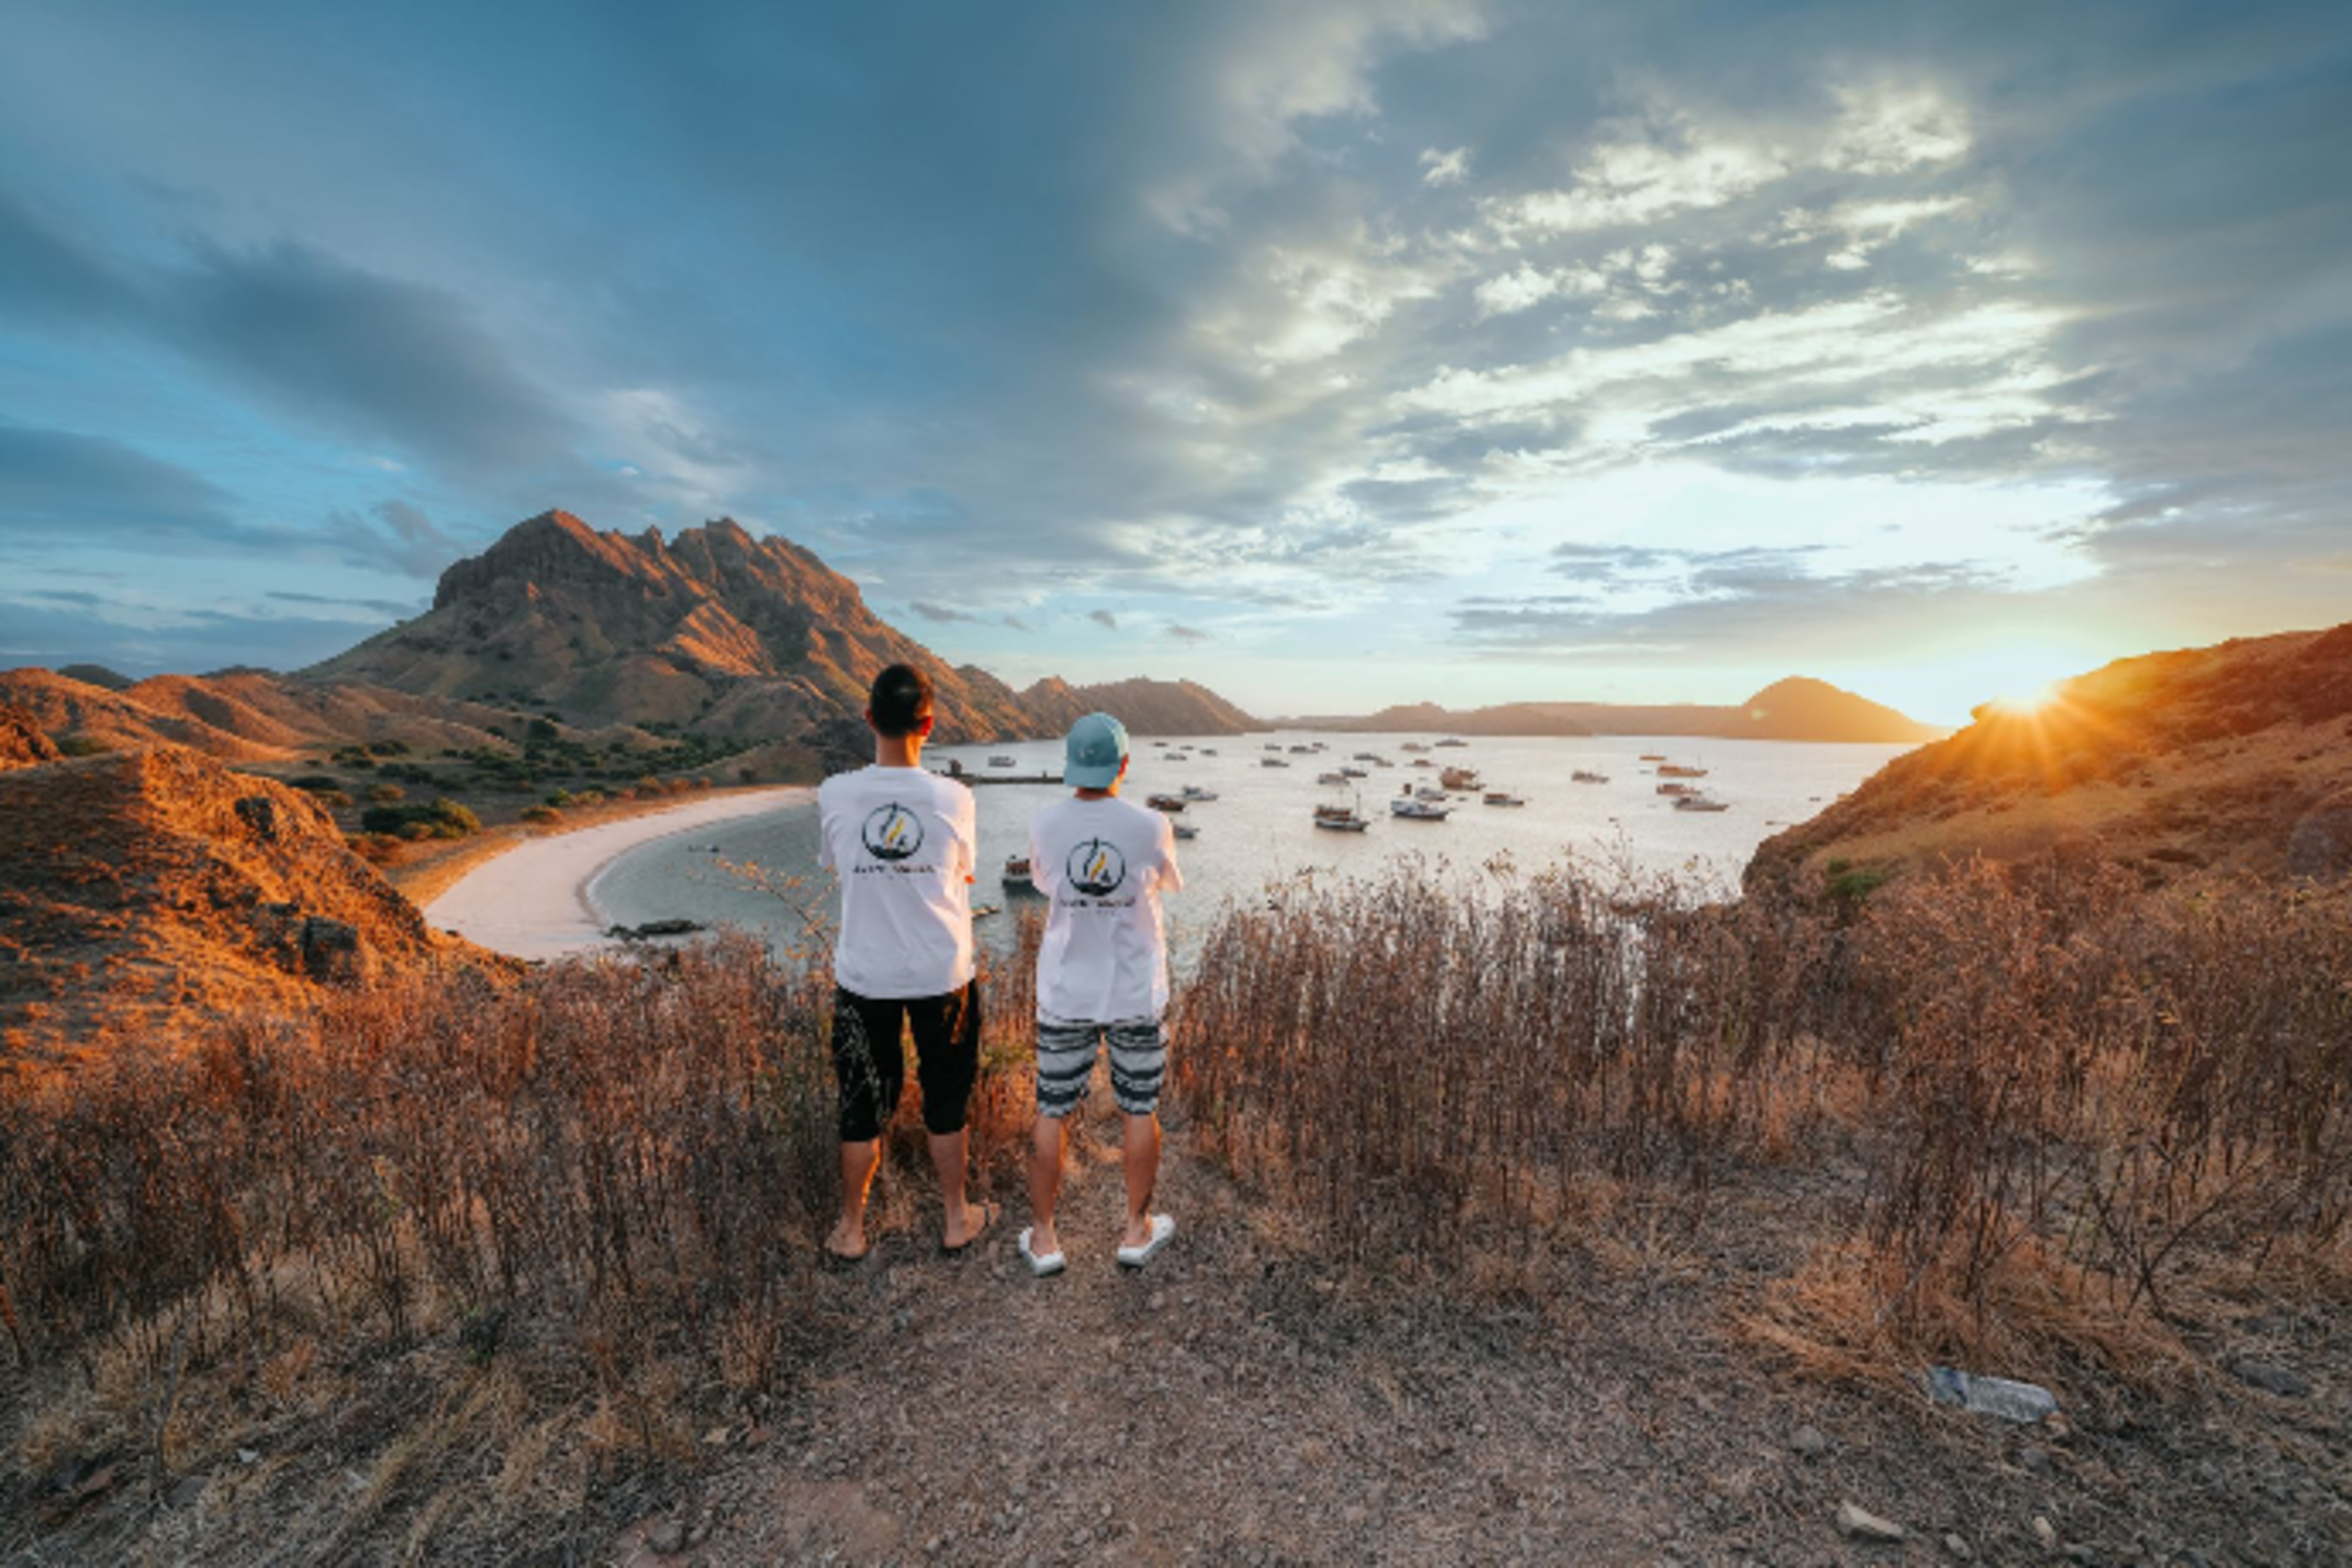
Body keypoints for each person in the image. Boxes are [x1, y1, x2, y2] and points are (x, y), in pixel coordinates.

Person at [815, 663, 995, 1261]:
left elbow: (837, 865)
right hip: (942, 972)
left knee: (861, 1101)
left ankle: (850, 1227)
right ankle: (954, 1217)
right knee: (946, 1095)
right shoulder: (956, 797)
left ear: (869, 719)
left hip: (865, 973)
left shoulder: (835, 792)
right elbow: (963, 872)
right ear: (930, 723)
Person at [1019, 712, 1183, 1275]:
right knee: (1139, 1107)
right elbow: (1161, 882)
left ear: (1070, 766)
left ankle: (1044, 1239)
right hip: (1136, 989)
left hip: (1067, 991)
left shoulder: (1044, 823)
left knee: (1052, 1107)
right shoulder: (1153, 824)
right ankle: (1136, 1231)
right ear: (1125, 764)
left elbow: (1047, 883)